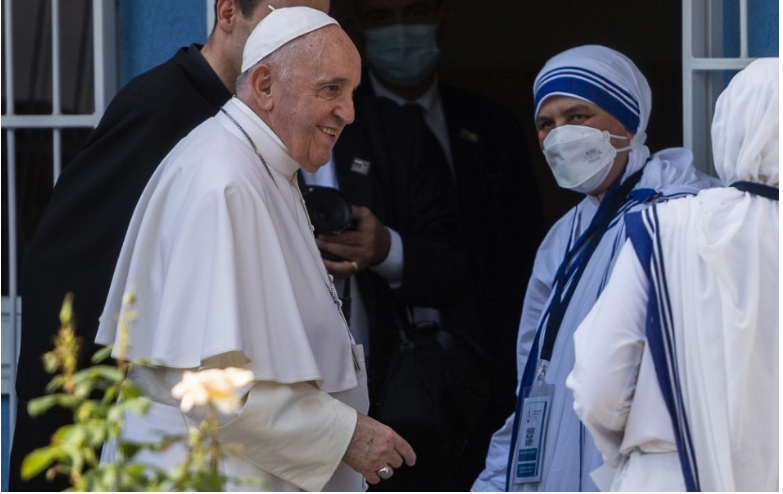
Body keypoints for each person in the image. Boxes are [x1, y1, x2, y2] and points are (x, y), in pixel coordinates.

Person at [9, 1, 328, 491]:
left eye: (319, 24)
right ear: (227, 13)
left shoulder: (258, 123)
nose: (305, 38)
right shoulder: (163, 107)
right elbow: (74, 272)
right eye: (287, 18)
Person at [94, 7, 417, 491]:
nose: (348, 113)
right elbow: (215, 390)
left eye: (351, 93)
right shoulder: (222, 181)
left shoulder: (261, 164)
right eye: (330, 90)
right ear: (264, 86)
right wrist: (345, 435)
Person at [472, 45, 719, 492]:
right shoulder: (563, 235)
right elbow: (535, 373)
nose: (558, 135)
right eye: (546, 124)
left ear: (628, 123)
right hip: (559, 460)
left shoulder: (684, 214)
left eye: (578, 116)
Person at [339, 1, 547, 488]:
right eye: (381, 16)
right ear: (356, 28)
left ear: (443, 21)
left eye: (414, 11)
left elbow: (524, 251)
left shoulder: (492, 124)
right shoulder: (339, 123)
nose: (401, 31)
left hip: (489, 365)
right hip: (390, 386)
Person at [566, 57, 779, 492]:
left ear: (729, 125)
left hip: (667, 474)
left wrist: (633, 457)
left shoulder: (667, 226)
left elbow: (598, 385)